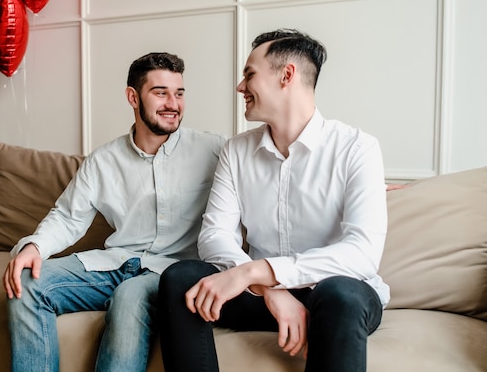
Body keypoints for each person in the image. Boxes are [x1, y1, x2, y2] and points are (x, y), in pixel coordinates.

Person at [158, 29, 389, 372]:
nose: (240, 87)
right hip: (258, 296)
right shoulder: (236, 151)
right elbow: (214, 237)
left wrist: (262, 271)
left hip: (333, 297)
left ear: (287, 75)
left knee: (341, 294)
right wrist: (267, 287)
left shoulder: (357, 148)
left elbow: (362, 254)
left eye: (249, 74)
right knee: (180, 278)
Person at [3, 52, 226, 372]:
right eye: (160, 93)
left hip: (168, 274)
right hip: (115, 263)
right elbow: (68, 217)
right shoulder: (103, 161)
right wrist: (34, 247)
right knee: (26, 281)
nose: (173, 104)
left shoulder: (214, 150)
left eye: (179, 93)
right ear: (132, 97)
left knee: (129, 295)